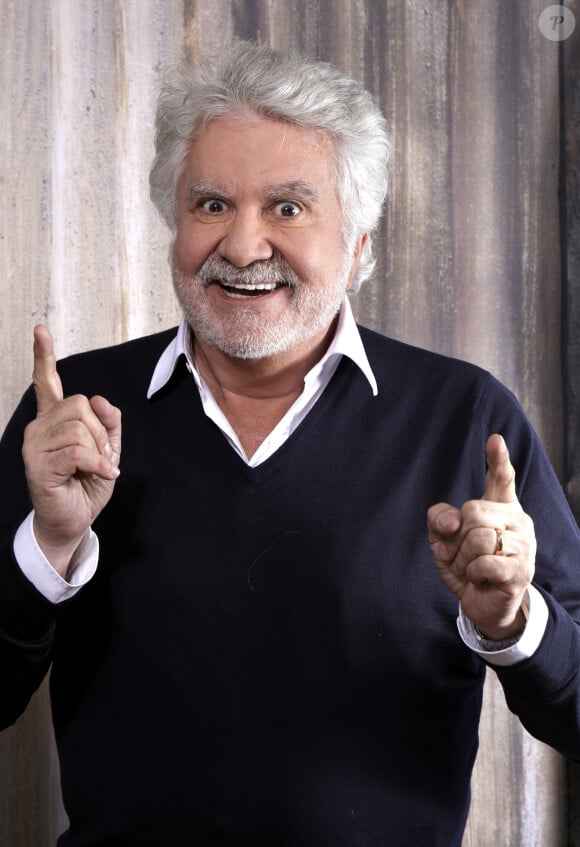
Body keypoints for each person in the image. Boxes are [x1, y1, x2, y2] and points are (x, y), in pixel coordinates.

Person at [0, 39, 579, 847]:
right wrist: (51, 544)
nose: (241, 248)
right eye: (210, 205)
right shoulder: (76, 416)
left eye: (288, 208)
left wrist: (515, 622)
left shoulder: (464, 417)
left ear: (360, 248)